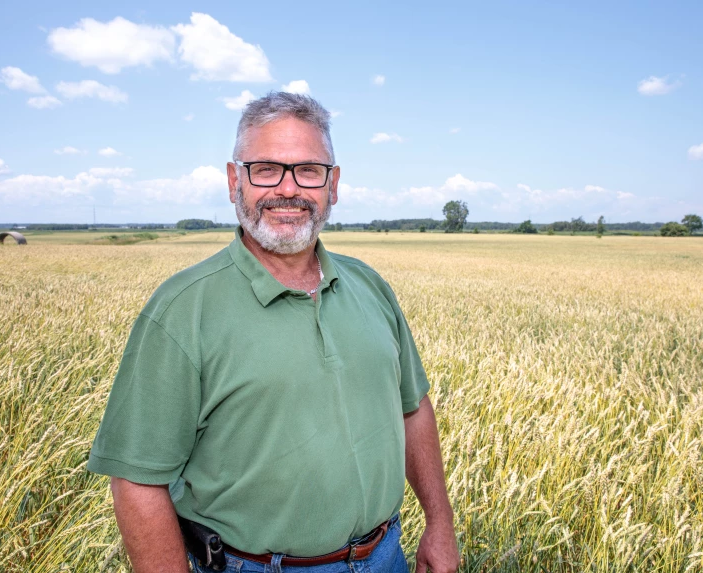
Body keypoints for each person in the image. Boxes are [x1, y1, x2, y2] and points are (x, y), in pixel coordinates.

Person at [88, 92, 460, 573]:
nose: (288, 188)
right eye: (265, 169)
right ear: (234, 180)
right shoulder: (182, 309)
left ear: (333, 184)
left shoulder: (370, 286)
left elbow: (412, 408)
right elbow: (137, 481)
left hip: (386, 555)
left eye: (308, 170)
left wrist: (440, 522)